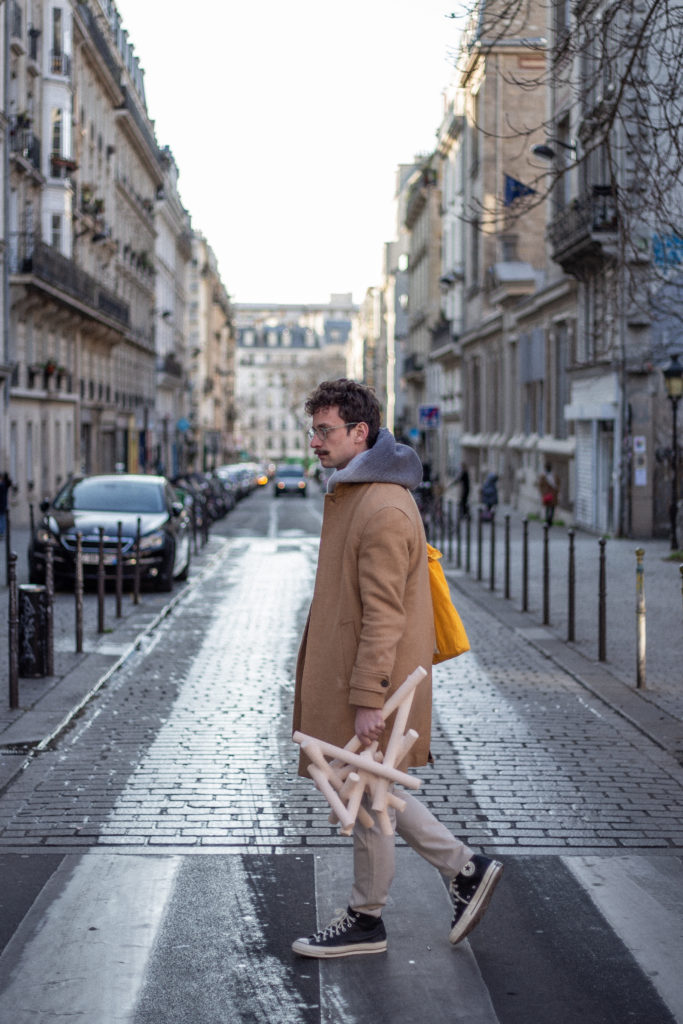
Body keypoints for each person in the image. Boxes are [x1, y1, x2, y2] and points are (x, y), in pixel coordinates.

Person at [291, 379, 502, 958]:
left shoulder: (380, 506)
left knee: (366, 789)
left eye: (325, 430)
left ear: (360, 433)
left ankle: (391, 905)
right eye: (313, 430)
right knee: (369, 791)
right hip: (357, 676)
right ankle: (441, 880)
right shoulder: (356, 493)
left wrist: (367, 697)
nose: (315, 441)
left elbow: (384, 617)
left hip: (373, 682)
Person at [0, 472, 11, 538]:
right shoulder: (5, 485)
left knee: (2, 519)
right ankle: (2, 532)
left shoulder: (2, 485)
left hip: (1, 504)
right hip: (3, 504)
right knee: (2, 518)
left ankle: (1, 532)